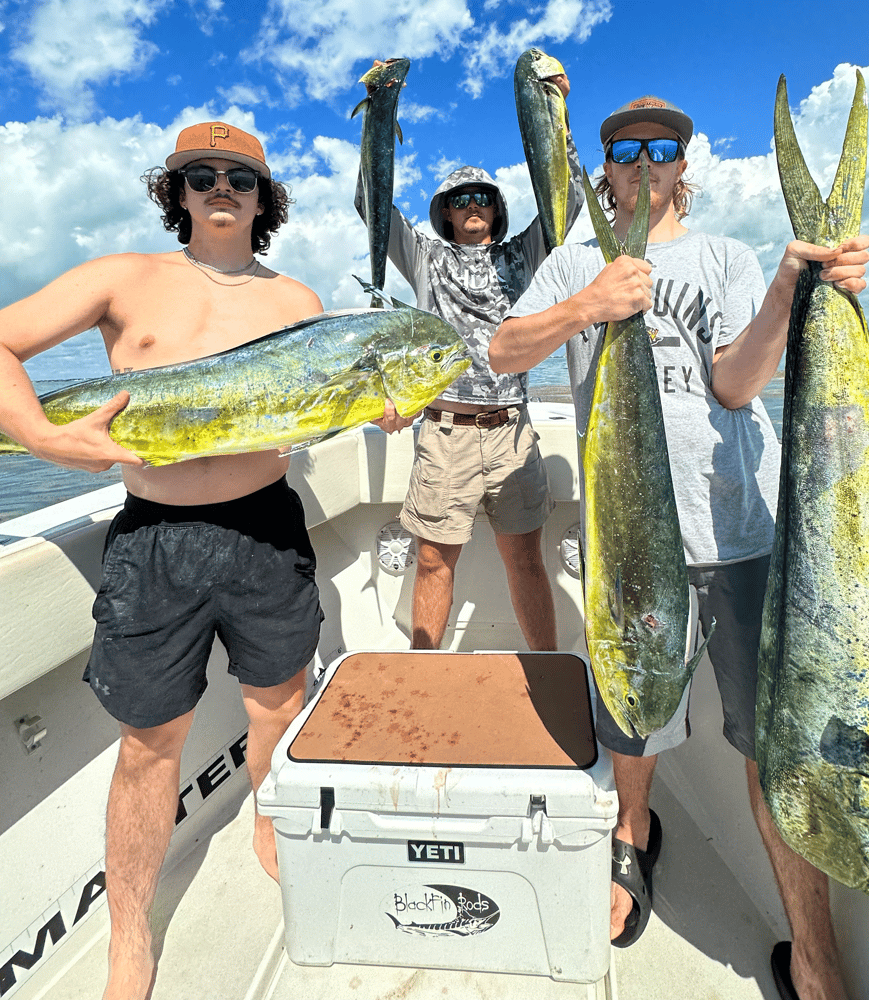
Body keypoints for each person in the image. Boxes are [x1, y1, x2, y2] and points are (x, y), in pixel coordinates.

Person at [490, 95, 869, 999]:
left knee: (767, 745)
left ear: (681, 167)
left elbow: (738, 386)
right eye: (625, 151)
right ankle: (633, 838)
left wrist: (789, 285)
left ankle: (813, 956)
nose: (644, 163)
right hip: (629, 547)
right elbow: (504, 352)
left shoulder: (728, 257)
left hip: (738, 535)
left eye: (662, 150)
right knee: (633, 718)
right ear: (605, 169)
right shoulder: (572, 260)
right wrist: (587, 302)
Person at [0, 122, 325, 1000]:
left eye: (241, 178)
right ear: (176, 191)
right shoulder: (120, 278)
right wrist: (37, 436)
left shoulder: (299, 300)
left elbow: (329, 402)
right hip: (156, 538)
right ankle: (128, 935)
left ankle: (269, 826)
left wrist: (384, 408)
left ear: (264, 197)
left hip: (268, 527)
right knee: (150, 745)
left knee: (279, 704)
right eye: (202, 174)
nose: (223, 188)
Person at [357, 65, 582, 652]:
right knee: (433, 560)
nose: (472, 205)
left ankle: (548, 669)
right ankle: (423, 671)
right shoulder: (426, 258)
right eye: (461, 199)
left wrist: (559, 113)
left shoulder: (523, 254)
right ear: (446, 212)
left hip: (512, 431)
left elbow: (571, 195)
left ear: (495, 209)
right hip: (444, 430)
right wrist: (380, 112)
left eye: (482, 196)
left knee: (527, 562)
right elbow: (369, 202)